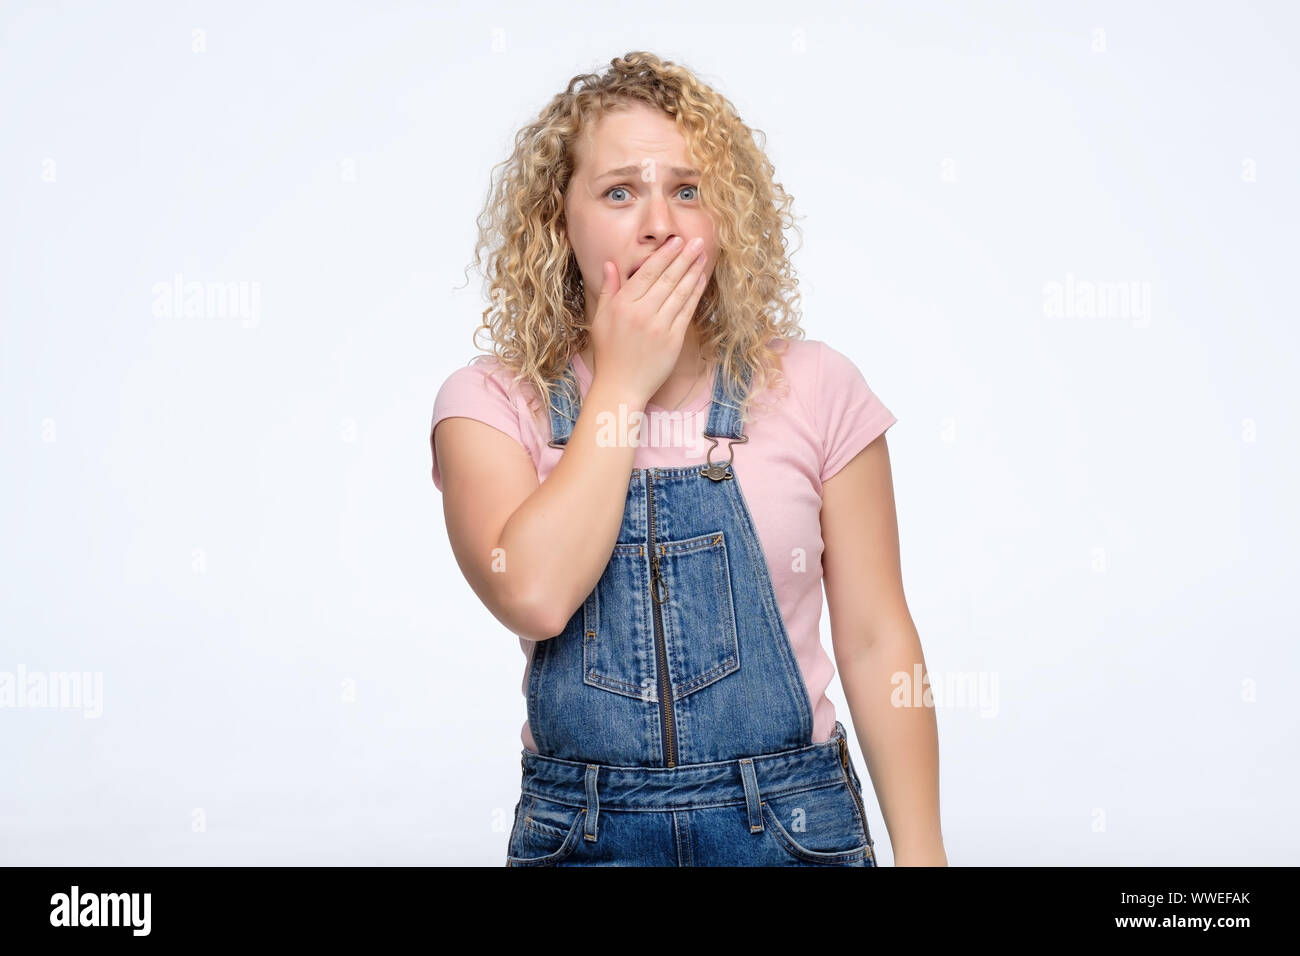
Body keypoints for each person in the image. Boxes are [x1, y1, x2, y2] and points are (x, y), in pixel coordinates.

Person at [430, 51, 947, 866]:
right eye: (619, 191)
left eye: (688, 189)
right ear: (557, 221)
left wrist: (925, 857)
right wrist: (621, 386)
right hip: (585, 834)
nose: (658, 224)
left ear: (725, 218)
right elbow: (533, 595)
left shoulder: (816, 387)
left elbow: (879, 639)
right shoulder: (492, 404)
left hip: (791, 827)